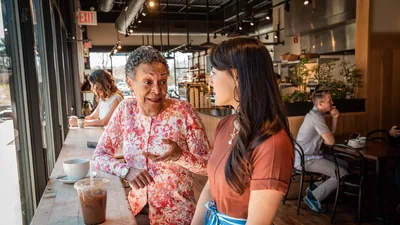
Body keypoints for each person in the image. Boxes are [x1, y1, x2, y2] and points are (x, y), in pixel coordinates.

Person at [92, 45, 211, 224]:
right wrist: (126, 170)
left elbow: (208, 165)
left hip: (176, 215)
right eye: (148, 82)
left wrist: (180, 156)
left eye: (162, 81)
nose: (157, 90)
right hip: (135, 210)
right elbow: (99, 155)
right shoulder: (125, 110)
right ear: (130, 82)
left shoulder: (184, 111)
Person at [191, 38, 294, 225]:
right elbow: (209, 188)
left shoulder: (271, 143)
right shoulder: (226, 124)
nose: (210, 82)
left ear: (236, 76)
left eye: (213, 73)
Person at [295, 89, 348, 213]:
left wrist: (335, 118)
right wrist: (330, 138)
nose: (332, 102)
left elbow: (330, 137)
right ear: (320, 104)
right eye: (329, 100)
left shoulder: (315, 115)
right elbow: (330, 142)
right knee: (342, 173)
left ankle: (314, 188)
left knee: (344, 164)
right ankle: (313, 196)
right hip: (306, 159)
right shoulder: (316, 117)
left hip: (310, 156)